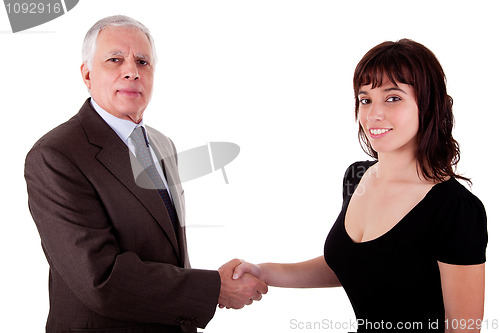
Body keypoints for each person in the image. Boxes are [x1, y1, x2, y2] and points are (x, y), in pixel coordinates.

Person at [24, 15, 267, 333]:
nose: (131, 71)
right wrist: (213, 288)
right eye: (115, 59)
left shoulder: (162, 144)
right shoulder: (56, 155)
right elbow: (101, 279)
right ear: (87, 74)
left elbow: (165, 251)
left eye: (143, 61)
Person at [232, 39, 487, 332]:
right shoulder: (357, 177)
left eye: (393, 98)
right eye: (365, 99)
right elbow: (354, 264)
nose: (373, 114)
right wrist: (263, 271)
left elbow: (463, 328)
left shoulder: (455, 208)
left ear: (428, 104)